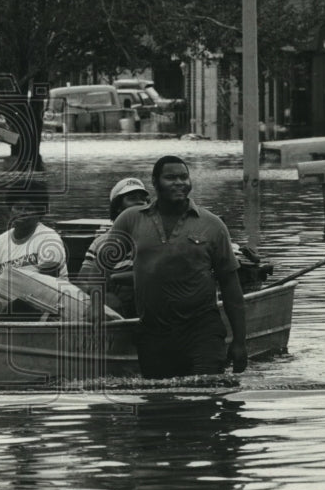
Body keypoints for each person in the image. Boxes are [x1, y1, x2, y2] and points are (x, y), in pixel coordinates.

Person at [103, 156, 247, 378]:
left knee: (206, 393)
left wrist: (239, 341)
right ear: (155, 182)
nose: (179, 182)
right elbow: (101, 265)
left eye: (183, 177)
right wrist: (95, 305)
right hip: (153, 331)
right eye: (170, 177)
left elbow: (230, 286)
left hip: (201, 330)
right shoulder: (131, 219)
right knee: (158, 405)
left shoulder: (212, 225)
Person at [76, 177, 150, 317]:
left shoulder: (155, 239)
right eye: (132, 198)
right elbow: (82, 281)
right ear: (118, 206)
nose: (141, 202)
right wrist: (104, 300)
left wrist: (116, 278)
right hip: (113, 312)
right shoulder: (101, 242)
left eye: (144, 198)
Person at [0, 180, 68, 296]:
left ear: (39, 213)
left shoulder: (49, 239)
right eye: (18, 208)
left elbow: (47, 289)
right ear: (10, 209)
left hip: (51, 305)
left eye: (29, 209)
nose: (22, 213)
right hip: (10, 304)